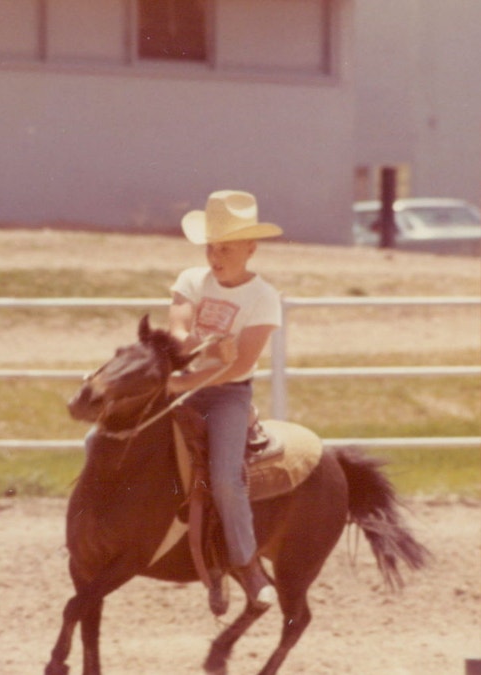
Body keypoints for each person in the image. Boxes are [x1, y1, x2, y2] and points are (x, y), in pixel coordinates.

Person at [166, 189, 283, 612]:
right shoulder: (191, 281)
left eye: (227, 248)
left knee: (224, 479)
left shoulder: (263, 298)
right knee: (106, 436)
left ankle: (246, 565)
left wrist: (189, 380)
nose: (217, 257)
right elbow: (176, 334)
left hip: (227, 395)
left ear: (251, 248)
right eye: (213, 247)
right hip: (181, 382)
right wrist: (205, 348)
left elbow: (241, 366)